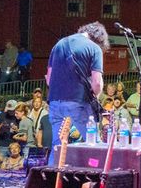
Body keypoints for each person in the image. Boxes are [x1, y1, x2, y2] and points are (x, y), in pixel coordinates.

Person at [45, 22, 108, 166]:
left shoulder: (59, 44)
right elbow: (97, 83)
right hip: (77, 101)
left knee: (57, 146)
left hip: (54, 102)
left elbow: (49, 79)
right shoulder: (94, 48)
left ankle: (51, 181)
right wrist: (95, 95)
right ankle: (97, 180)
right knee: (94, 143)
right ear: (99, 38)